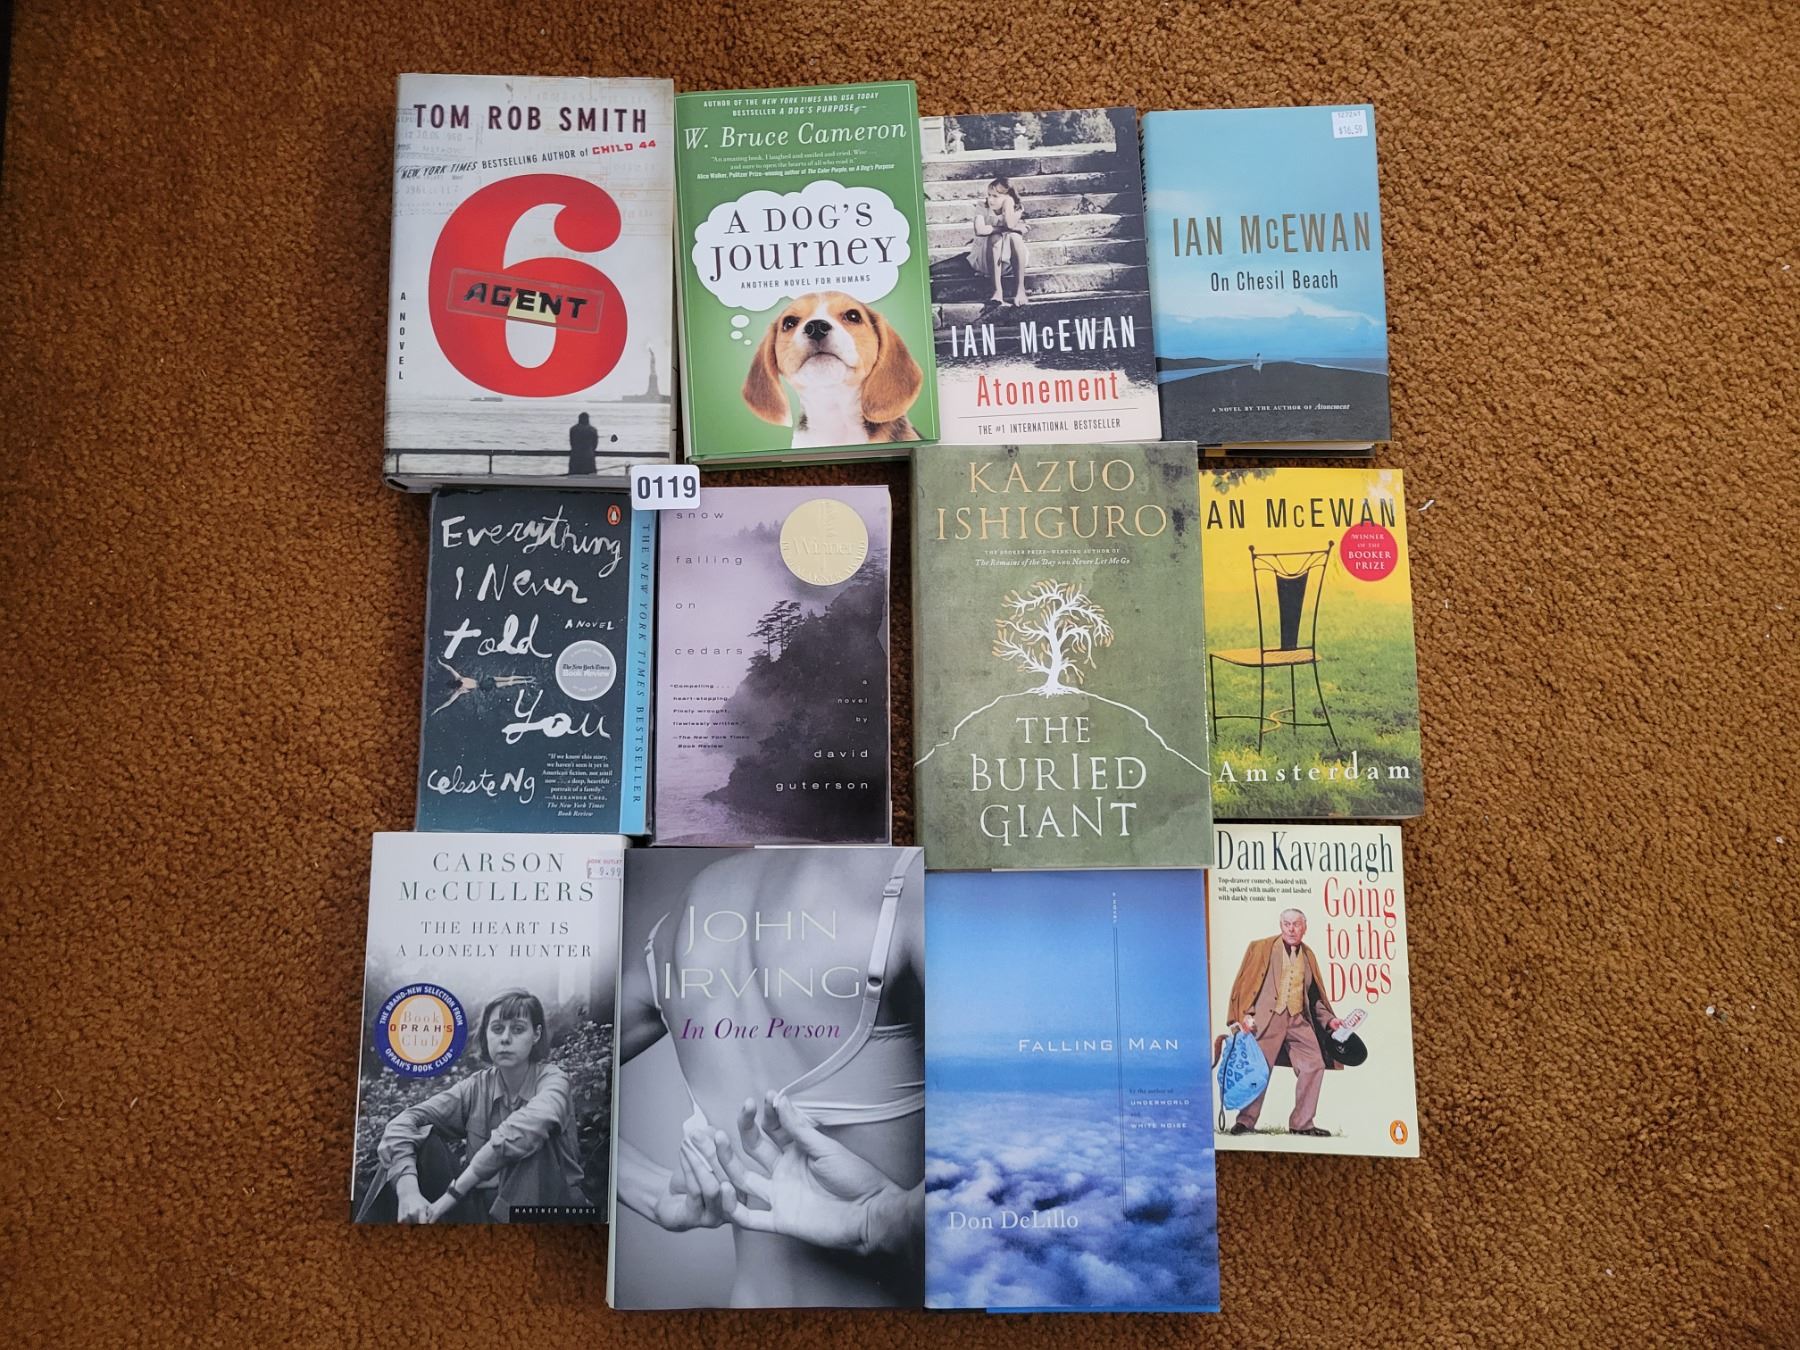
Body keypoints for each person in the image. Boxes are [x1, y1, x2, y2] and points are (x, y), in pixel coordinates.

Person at [612, 849, 925, 1306]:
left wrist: (651, 1192)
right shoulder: (907, 881)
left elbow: (547, 1067)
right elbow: (1021, 1189)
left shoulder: (689, 910)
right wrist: (874, 1223)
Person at [356, 988, 588, 1223]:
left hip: (546, 1215)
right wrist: (408, 1191)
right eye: (497, 1029)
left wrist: (454, 1193)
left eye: (518, 1029)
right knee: (415, 1141)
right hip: (481, 1213)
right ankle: (368, 1239)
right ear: (486, 1033)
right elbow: (403, 1122)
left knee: (536, 1141)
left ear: (536, 1034)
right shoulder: (476, 1087)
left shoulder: (554, 1080)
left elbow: (529, 1127)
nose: (505, 1038)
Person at [1224, 908, 1344, 1137]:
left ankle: (1302, 1124)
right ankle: (1245, 1121)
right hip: (1267, 1019)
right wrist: (1244, 1015)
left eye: (1296, 924)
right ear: (1281, 925)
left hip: (1298, 1019)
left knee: (1314, 1064)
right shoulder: (1261, 948)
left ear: (1304, 927)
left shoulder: (1308, 955)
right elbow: (1244, 984)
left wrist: (1330, 1021)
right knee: (1258, 1069)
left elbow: (1314, 997)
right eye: (1287, 924)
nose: (1291, 929)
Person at [966, 178, 1028, 317]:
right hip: (985, 260)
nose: (990, 199)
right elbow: (980, 230)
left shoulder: (1016, 208)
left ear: (1009, 197)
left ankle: (1020, 289)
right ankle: (997, 291)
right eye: (989, 195)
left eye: (995, 196)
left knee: (1015, 237)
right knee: (996, 237)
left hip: (1009, 262)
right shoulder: (982, 207)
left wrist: (1008, 204)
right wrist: (1005, 228)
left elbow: (1010, 224)